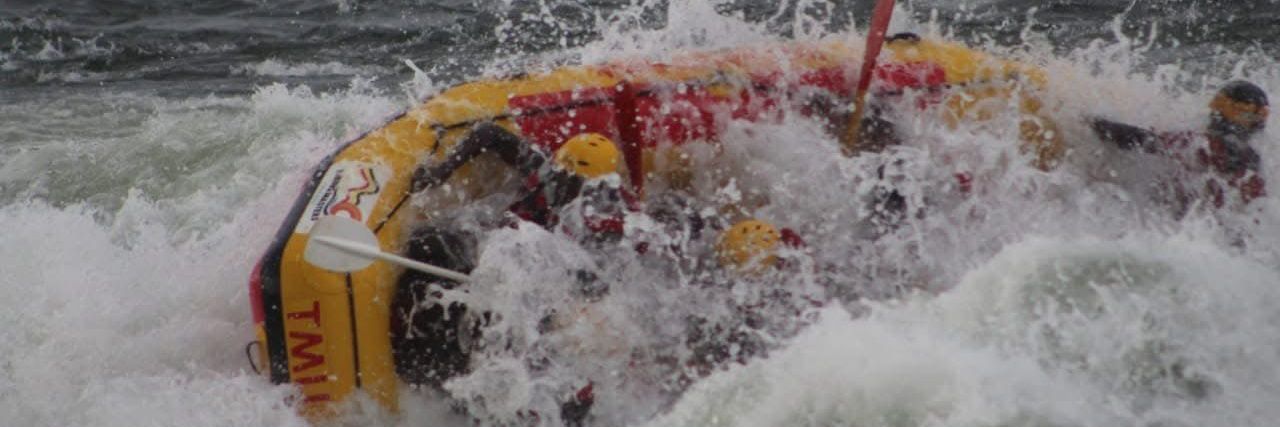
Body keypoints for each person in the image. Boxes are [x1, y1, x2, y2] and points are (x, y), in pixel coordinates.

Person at [395, 122, 633, 425]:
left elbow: (592, 291)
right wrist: (442, 171)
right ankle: (417, 361)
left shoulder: (604, 227)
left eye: (574, 182)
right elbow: (488, 133)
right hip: (495, 263)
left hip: (546, 303)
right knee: (429, 245)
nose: (563, 184)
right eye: (562, 176)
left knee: (538, 355)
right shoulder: (549, 169)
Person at [1090, 80, 1269, 213]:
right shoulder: (1251, 160)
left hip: (1175, 225)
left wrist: (1091, 121)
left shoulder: (1197, 144)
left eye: (1252, 117)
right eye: (1246, 115)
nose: (1251, 122)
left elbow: (1140, 139)